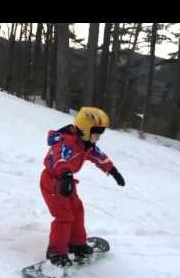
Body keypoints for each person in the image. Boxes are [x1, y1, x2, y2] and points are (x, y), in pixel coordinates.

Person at [40, 106, 125, 267]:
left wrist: (112, 170)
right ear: (86, 130)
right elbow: (58, 158)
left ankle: (76, 243)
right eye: (96, 134)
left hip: (67, 182)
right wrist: (65, 174)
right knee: (64, 216)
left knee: (77, 211)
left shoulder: (85, 144)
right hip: (53, 182)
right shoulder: (66, 142)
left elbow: (99, 156)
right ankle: (56, 253)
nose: (98, 138)